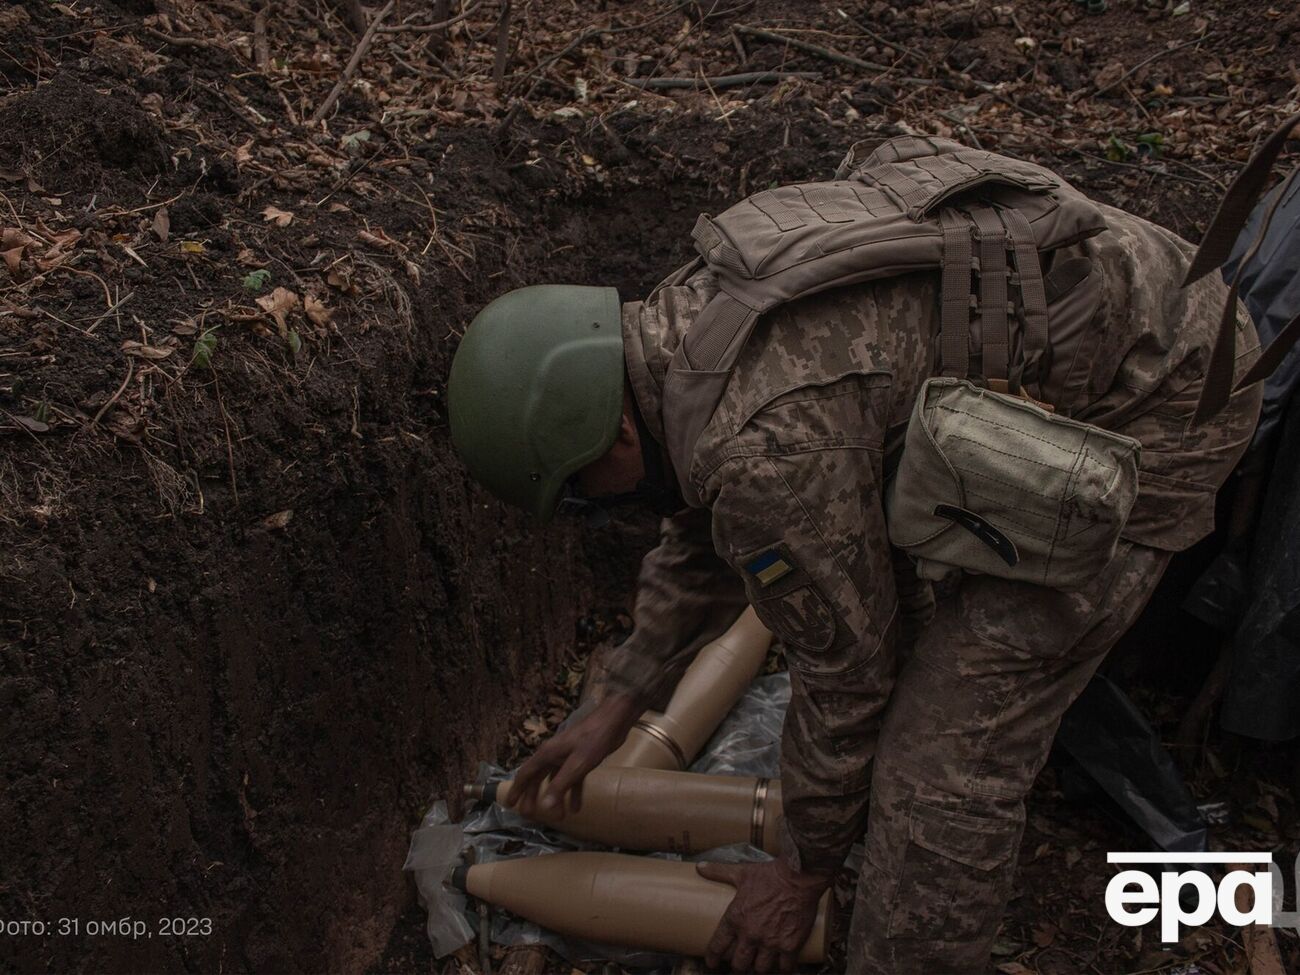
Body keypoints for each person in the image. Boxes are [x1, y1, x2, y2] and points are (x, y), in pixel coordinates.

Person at [446, 135, 1264, 974]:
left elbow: (846, 678)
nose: (599, 505)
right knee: (905, 636)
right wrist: (625, 694)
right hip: (1140, 306)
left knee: (943, 759)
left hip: (1165, 398)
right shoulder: (671, 331)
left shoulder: (768, 453)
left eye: (585, 486)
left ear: (616, 428)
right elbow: (698, 512)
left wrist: (800, 871)